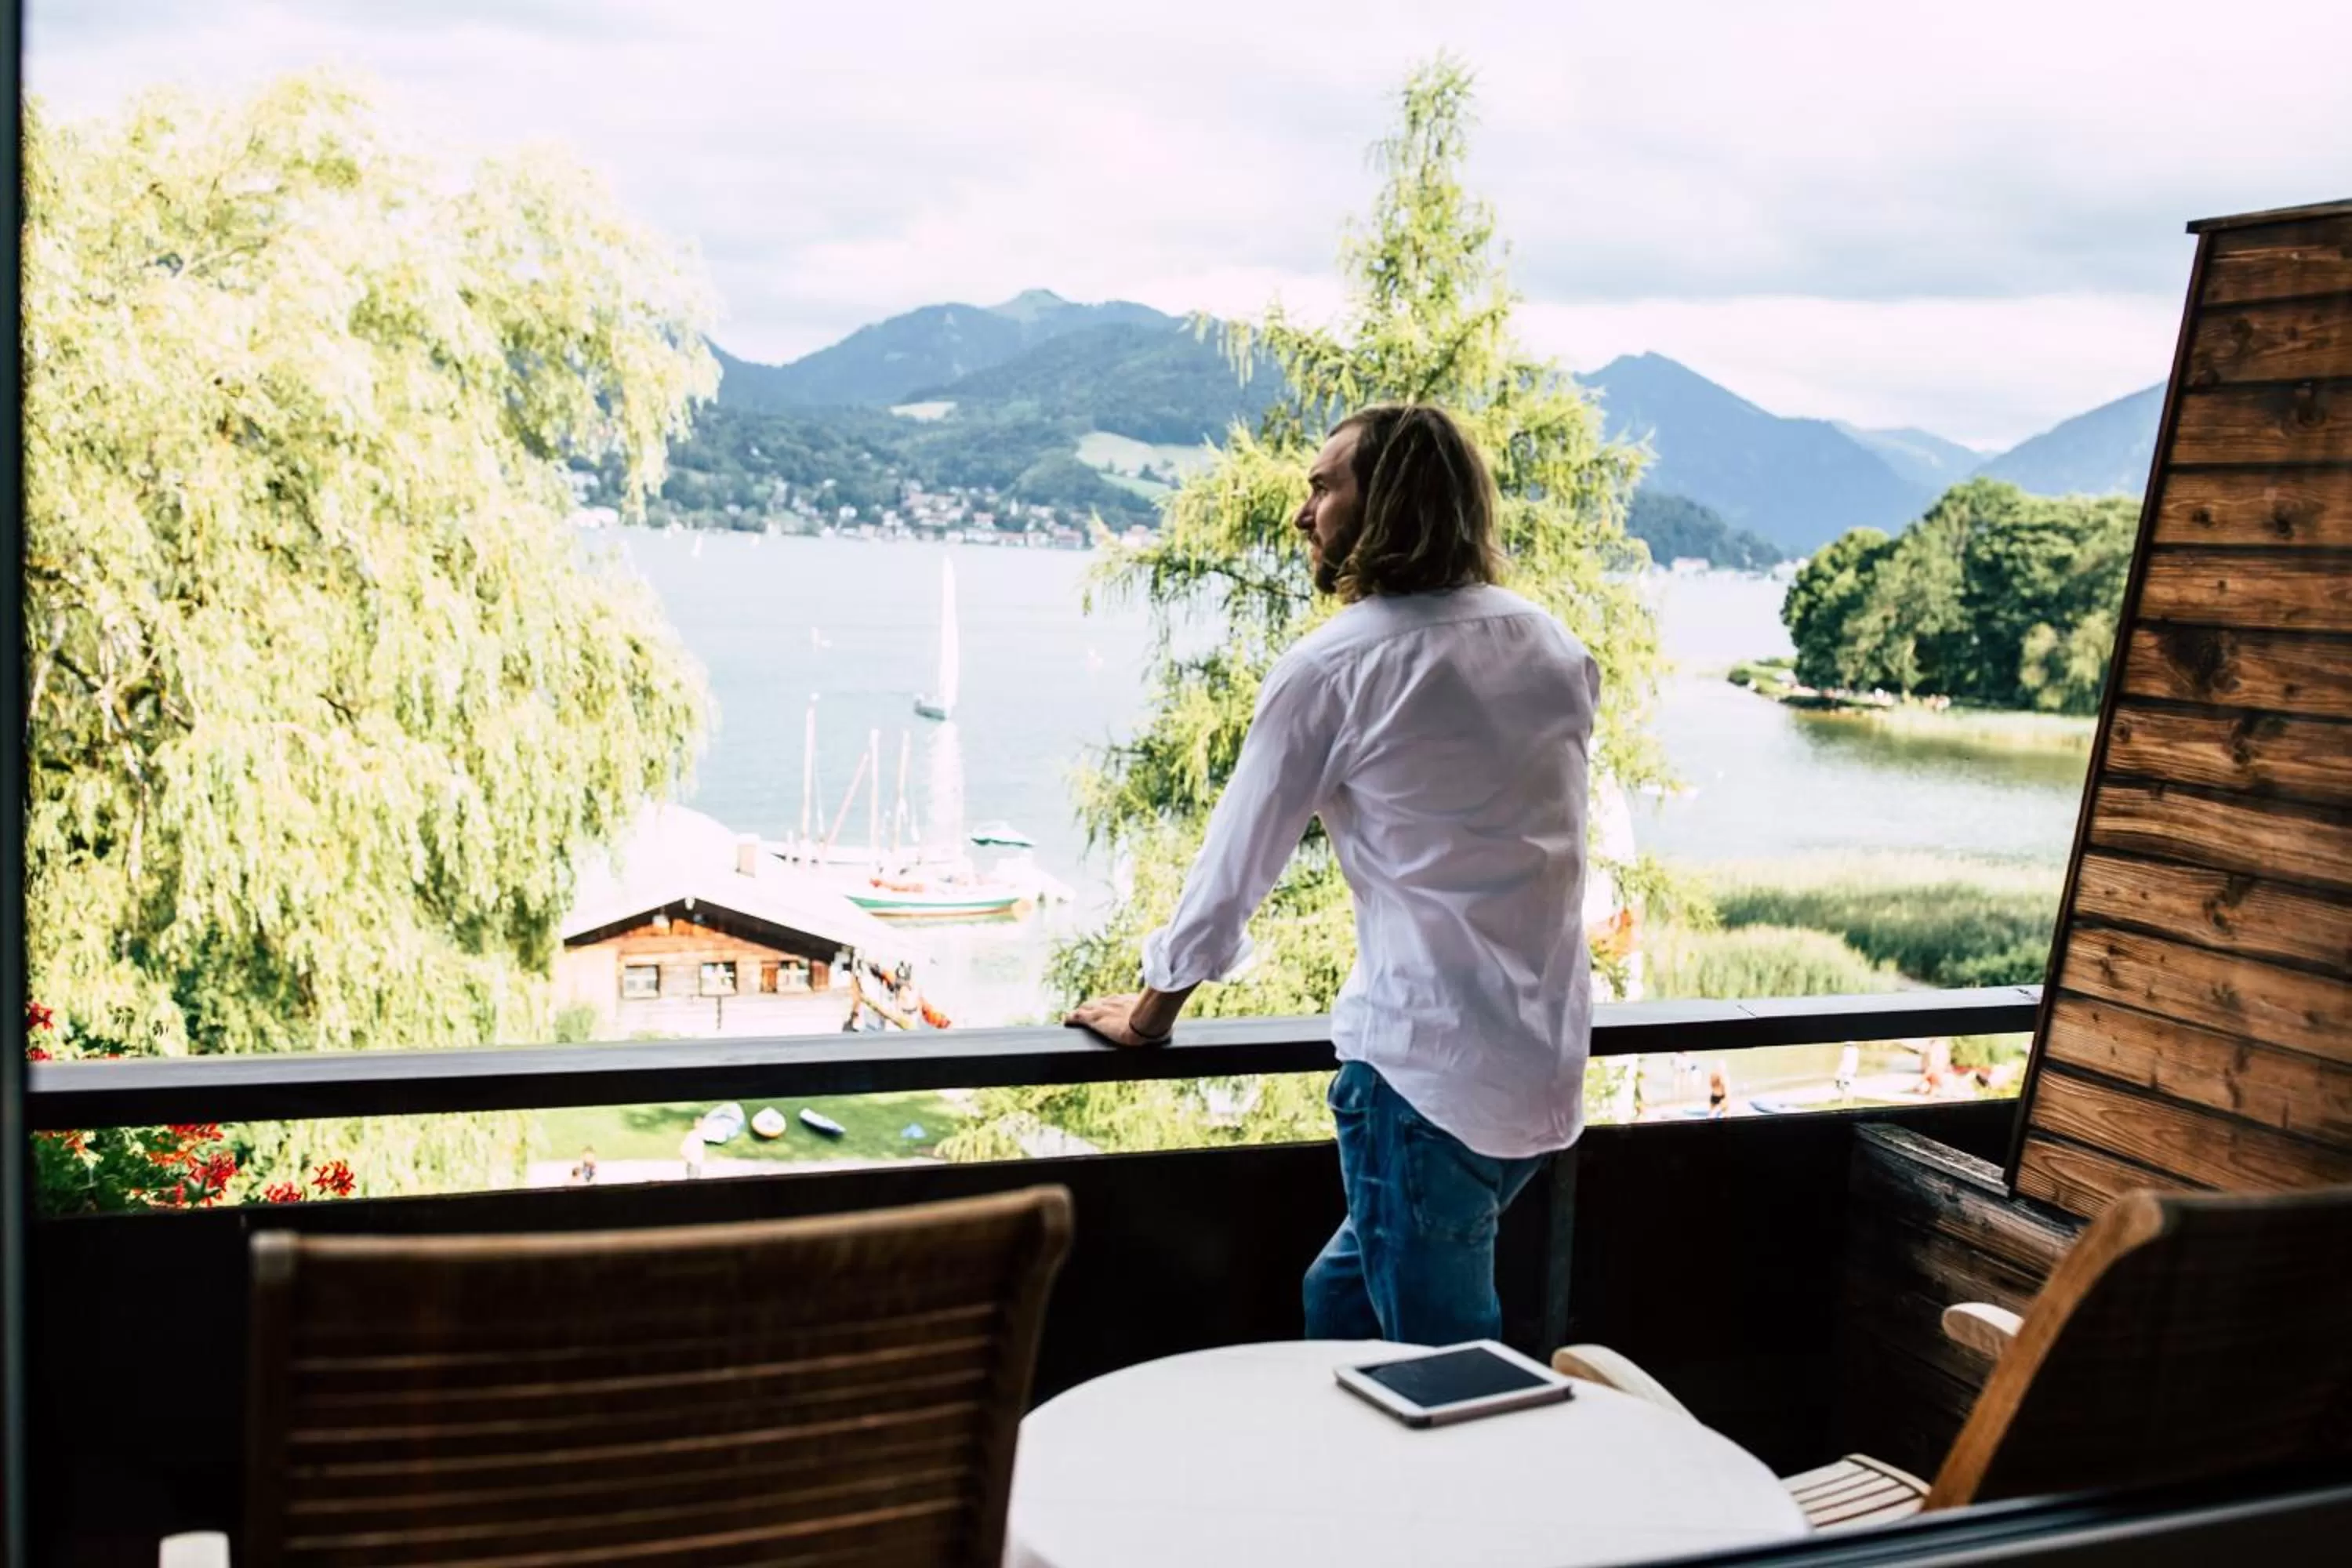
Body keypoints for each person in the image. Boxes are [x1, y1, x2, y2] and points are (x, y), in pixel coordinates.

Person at [1065, 404, 1601, 1347]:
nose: (1302, 513)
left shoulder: (1337, 664)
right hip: (1539, 1067)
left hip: (1421, 1076)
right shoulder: (1552, 646)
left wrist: (1152, 1012)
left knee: (1449, 1367)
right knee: (1341, 1297)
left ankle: (1467, 1497)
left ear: (1388, 501)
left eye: (1324, 486)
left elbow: (1235, 868)